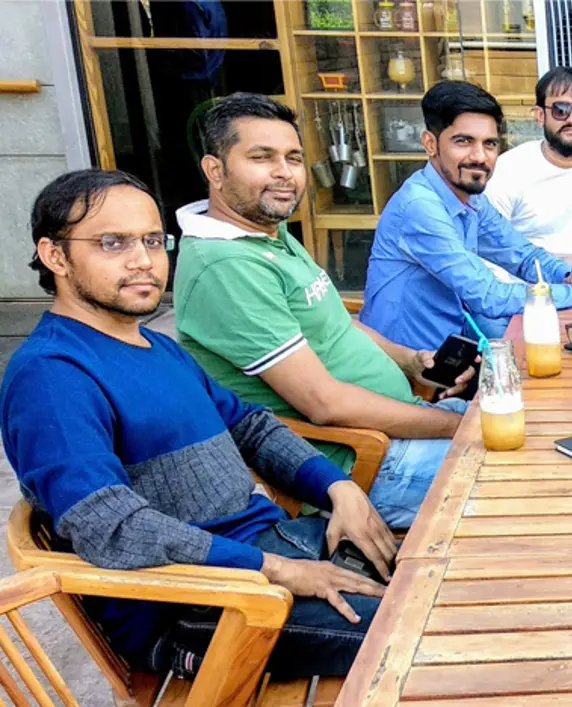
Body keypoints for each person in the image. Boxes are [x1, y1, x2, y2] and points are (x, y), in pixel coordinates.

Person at [4, 169, 393, 680]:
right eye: (112, 242)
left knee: (452, 580)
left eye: (151, 240)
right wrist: (274, 571)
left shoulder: (156, 346)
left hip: (276, 547)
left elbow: (251, 427)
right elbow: (112, 529)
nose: (143, 260)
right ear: (55, 256)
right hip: (201, 606)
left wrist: (338, 486)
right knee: (423, 634)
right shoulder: (52, 377)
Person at [174, 93, 474, 530]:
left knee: (546, 433)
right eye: (262, 157)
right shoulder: (226, 266)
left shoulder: (264, 235)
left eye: (293, 158)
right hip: (365, 462)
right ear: (215, 170)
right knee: (534, 474)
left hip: (403, 426)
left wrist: (412, 361)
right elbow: (325, 405)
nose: (284, 173)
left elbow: (335, 323)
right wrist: (459, 428)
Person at [360, 80, 572, 345]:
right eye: (463, 141)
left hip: (451, 353)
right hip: (405, 370)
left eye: (489, 144)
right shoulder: (420, 207)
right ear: (430, 144)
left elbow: (523, 256)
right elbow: (488, 296)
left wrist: (569, 275)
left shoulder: (471, 200)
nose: (480, 157)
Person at [484, 66, 572, 260]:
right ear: (540, 115)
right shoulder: (508, 170)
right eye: (561, 110)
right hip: (528, 285)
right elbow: (491, 250)